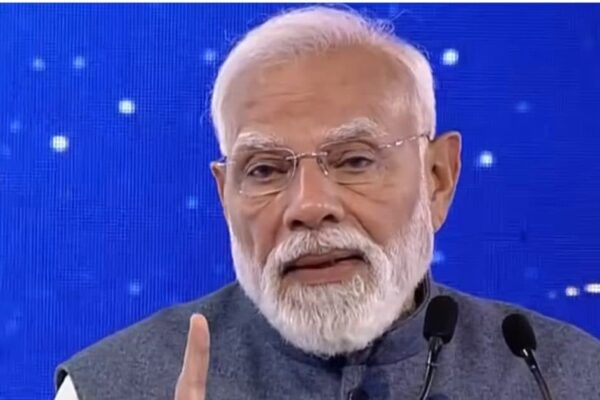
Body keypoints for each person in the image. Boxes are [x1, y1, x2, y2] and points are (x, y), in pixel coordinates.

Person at [54, 6, 600, 400]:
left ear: (437, 179)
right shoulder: (108, 386)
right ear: (225, 196)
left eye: (355, 160)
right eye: (265, 170)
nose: (310, 206)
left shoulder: (564, 377)